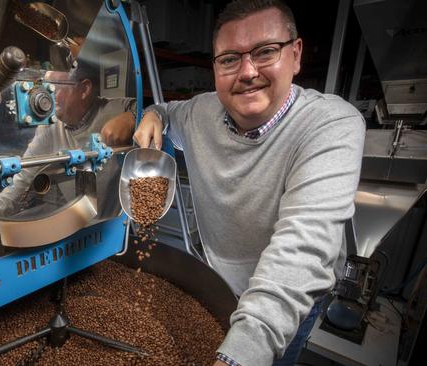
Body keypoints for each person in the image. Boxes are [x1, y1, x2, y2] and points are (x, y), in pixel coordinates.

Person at [133, 1, 365, 365]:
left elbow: (301, 250)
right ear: (215, 68)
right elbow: (166, 112)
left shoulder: (331, 124)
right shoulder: (201, 112)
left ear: (296, 54)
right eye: (229, 59)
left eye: (265, 51)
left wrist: (235, 358)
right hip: (222, 282)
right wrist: (151, 115)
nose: (247, 71)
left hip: (290, 301)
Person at [0, 60, 136, 252]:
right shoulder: (50, 127)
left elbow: (152, 113)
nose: (48, 96)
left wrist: (131, 117)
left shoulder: (117, 110)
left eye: (57, 88)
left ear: (84, 89)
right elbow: (22, 178)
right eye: (46, 88)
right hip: (74, 230)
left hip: (112, 229)